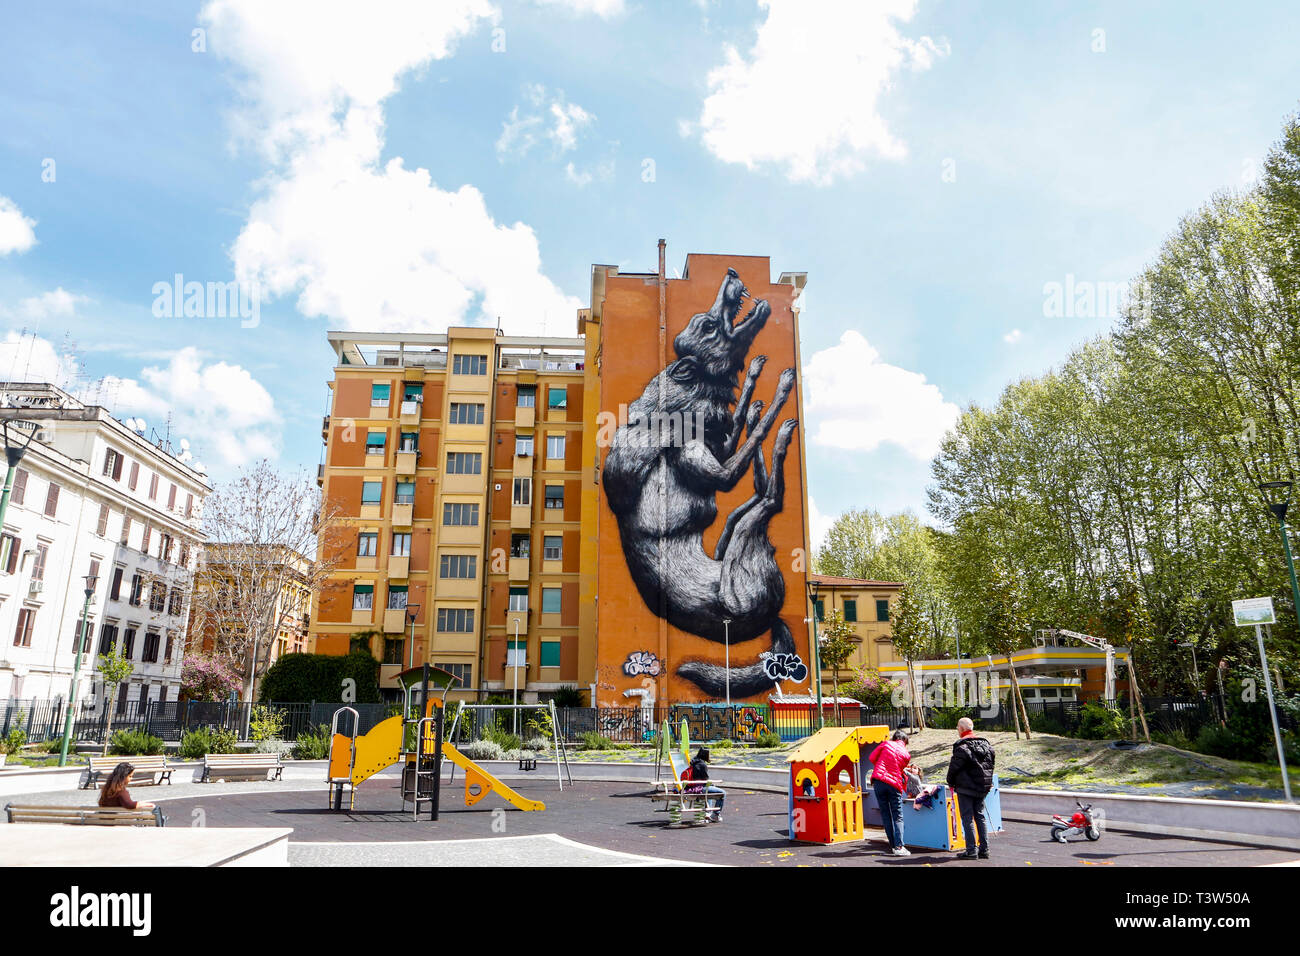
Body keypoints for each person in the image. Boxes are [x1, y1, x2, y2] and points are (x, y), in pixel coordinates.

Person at [946, 717, 995, 860]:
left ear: (961, 729)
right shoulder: (987, 746)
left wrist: (950, 781)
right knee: (980, 816)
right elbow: (990, 767)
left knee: (967, 819)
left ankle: (971, 850)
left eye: (957, 727)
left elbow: (954, 768)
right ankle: (984, 849)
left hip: (965, 787)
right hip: (981, 787)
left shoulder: (962, 747)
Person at [868, 730, 912, 856]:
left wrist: (882, 765)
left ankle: (893, 845)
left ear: (894, 737)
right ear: (905, 741)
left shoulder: (885, 744)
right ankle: (899, 846)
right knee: (897, 815)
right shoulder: (906, 754)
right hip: (893, 784)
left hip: (879, 781)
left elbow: (872, 758)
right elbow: (900, 768)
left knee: (885, 814)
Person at [683, 747, 725, 822]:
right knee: (722, 793)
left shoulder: (694, 762)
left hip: (691, 787)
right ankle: (715, 814)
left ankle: (707, 813)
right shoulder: (702, 765)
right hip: (699, 788)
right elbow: (705, 780)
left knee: (709, 790)